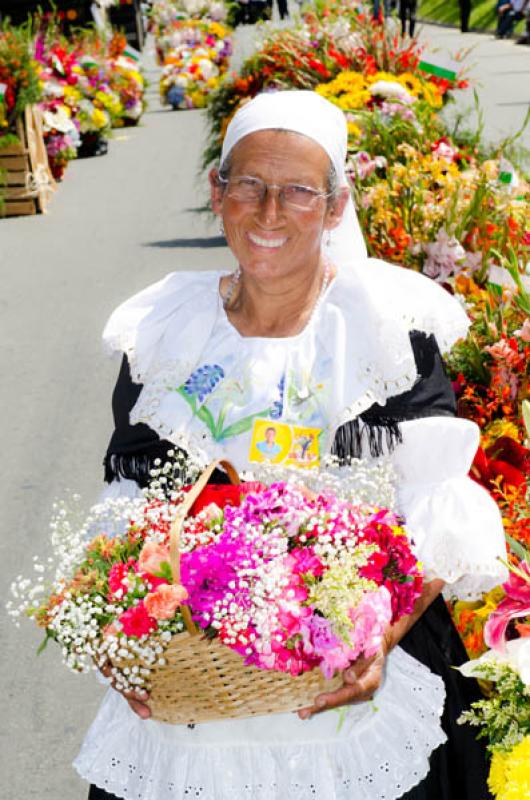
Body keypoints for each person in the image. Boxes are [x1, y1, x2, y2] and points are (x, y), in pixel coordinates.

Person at [75, 90, 507, 800]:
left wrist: (377, 645)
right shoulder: (167, 333)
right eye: (247, 184)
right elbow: (130, 511)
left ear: (336, 208)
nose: (269, 212)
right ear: (218, 194)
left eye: (299, 191)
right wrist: (118, 642)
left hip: (355, 668)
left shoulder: (383, 329)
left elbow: (437, 504)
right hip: (198, 684)